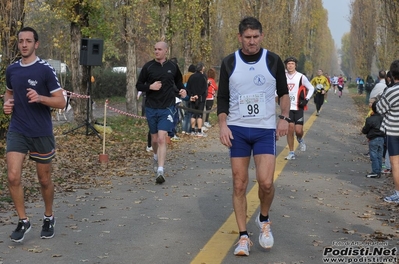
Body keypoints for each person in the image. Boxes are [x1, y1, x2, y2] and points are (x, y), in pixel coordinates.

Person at [217, 16, 289, 256]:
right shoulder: (229, 62)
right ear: (240, 38)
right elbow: (223, 98)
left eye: (256, 37)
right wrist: (222, 124)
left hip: (264, 129)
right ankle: (243, 237)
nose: (252, 42)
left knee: (266, 182)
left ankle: (264, 219)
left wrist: (284, 117)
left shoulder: (273, 60)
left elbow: (284, 93)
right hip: (237, 129)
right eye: (247, 37)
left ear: (262, 35)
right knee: (239, 184)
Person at [3, 27, 66, 242]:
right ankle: (23, 221)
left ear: (36, 44)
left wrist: (41, 98)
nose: (24, 44)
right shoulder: (12, 70)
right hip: (18, 129)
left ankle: (49, 216)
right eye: (21, 41)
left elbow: (61, 101)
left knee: (44, 178)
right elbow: (9, 92)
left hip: (41, 131)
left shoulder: (45, 70)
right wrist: (7, 103)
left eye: (28, 41)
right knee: (12, 176)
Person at [136, 41, 187, 184]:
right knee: (154, 140)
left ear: (166, 51)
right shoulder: (148, 67)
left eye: (159, 49)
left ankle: (160, 170)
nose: (156, 51)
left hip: (168, 107)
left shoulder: (173, 67)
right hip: (152, 107)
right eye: (155, 49)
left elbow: (179, 84)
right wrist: (150, 86)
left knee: (161, 138)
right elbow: (138, 85)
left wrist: (183, 90)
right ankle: (155, 156)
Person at [376, 60, 399, 203]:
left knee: (395, 163)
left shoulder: (391, 91)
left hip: (394, 132)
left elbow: (380, 109)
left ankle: (398, 193)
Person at [284, 56, 314, 160]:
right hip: (287, 108)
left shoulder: (301, 77)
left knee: (298, 130)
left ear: (295, 65)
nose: (290, 66)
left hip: (298, 107)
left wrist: (306, 99)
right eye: (288, 64)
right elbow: (277, 89)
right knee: (290, 129)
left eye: (292, 64)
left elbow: (311, 88)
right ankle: (291, 152)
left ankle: (300, 139)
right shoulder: (283, 76)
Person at [362, 100, 385, 178]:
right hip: (382, 138)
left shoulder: (370, 119)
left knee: (373, 155)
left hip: (373, 138)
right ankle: (378, 171)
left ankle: (375, 171)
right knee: (379, 155)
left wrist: (366, 132)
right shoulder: (383, 118)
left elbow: (365, 130)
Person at [186, 62, 208, 137]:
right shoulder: (203, 77)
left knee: (193, 114)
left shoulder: (191, 77)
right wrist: (198, 95)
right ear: (202, 68)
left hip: (192, 98)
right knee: (199, 115)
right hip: (200, 99)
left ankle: (192, 130)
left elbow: (188, 87)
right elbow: (204, 88)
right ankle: (199, 131)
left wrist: (191, 95)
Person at [181, 64, 196, 134]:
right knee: (191, 113)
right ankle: (189, 129)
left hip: (184, 95)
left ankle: (183, 129)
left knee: (186, 113)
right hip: (191, 95)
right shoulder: (194, 76)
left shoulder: (184, 75)